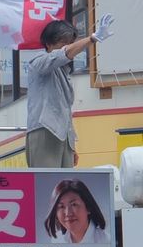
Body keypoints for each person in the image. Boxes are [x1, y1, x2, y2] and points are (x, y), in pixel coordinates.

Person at [26, 14, 115, 167]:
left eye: (70, 43)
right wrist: (92, 39)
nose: (69, 47)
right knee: (45, 184)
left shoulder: (64, 71)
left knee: (65, 185)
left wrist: (71, 146)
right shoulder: (38, 62)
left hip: (63, 136)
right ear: (48, 44)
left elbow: (64, 112)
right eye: (64, 43)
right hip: (44, 130)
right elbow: (62, 55)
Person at [44, 179, 110, 243]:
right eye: (61, 206)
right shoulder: (58, 241)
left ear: (88, 207)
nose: (68, 213)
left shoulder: (105, 241)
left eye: (74, 204)